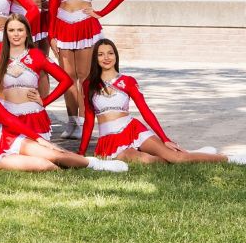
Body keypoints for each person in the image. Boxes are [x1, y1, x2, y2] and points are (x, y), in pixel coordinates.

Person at [0, 46, 126, 172]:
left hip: (4, 136)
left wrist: (38, 138)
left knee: (54, 153)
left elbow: (7, 118)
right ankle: (71, 167)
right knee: (43, 165)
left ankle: (99, 165)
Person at [79, 39, 245, 165]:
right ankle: (191, 154)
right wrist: (81, 153)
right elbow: (88, 120)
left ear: (116, 55)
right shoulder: (88, 84)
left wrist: (164, 138)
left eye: (110, 53)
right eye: (100, 54)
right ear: (95, 58)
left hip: (132, 129)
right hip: (109, 140)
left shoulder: (128, 81)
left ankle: (229, 158)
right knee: (144, 160)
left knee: (177, 158)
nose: (106, 58)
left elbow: (145, 111)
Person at [50, 0, 126, 139]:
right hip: (63, 28)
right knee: (67, 78)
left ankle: (84, 123)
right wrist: (51, 36)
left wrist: (100, 13)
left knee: (84, 77)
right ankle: (71, 121)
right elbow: (53, 6)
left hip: (86, 27)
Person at [0, 14, 70, 139]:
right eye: (11, 30)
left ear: (27, 33)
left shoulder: (37, 55)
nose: (16, 34)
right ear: (6, 33)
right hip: (6, 116)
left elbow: (66, 80)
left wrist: (45, 101)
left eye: (20, 30)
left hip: (33, 116)